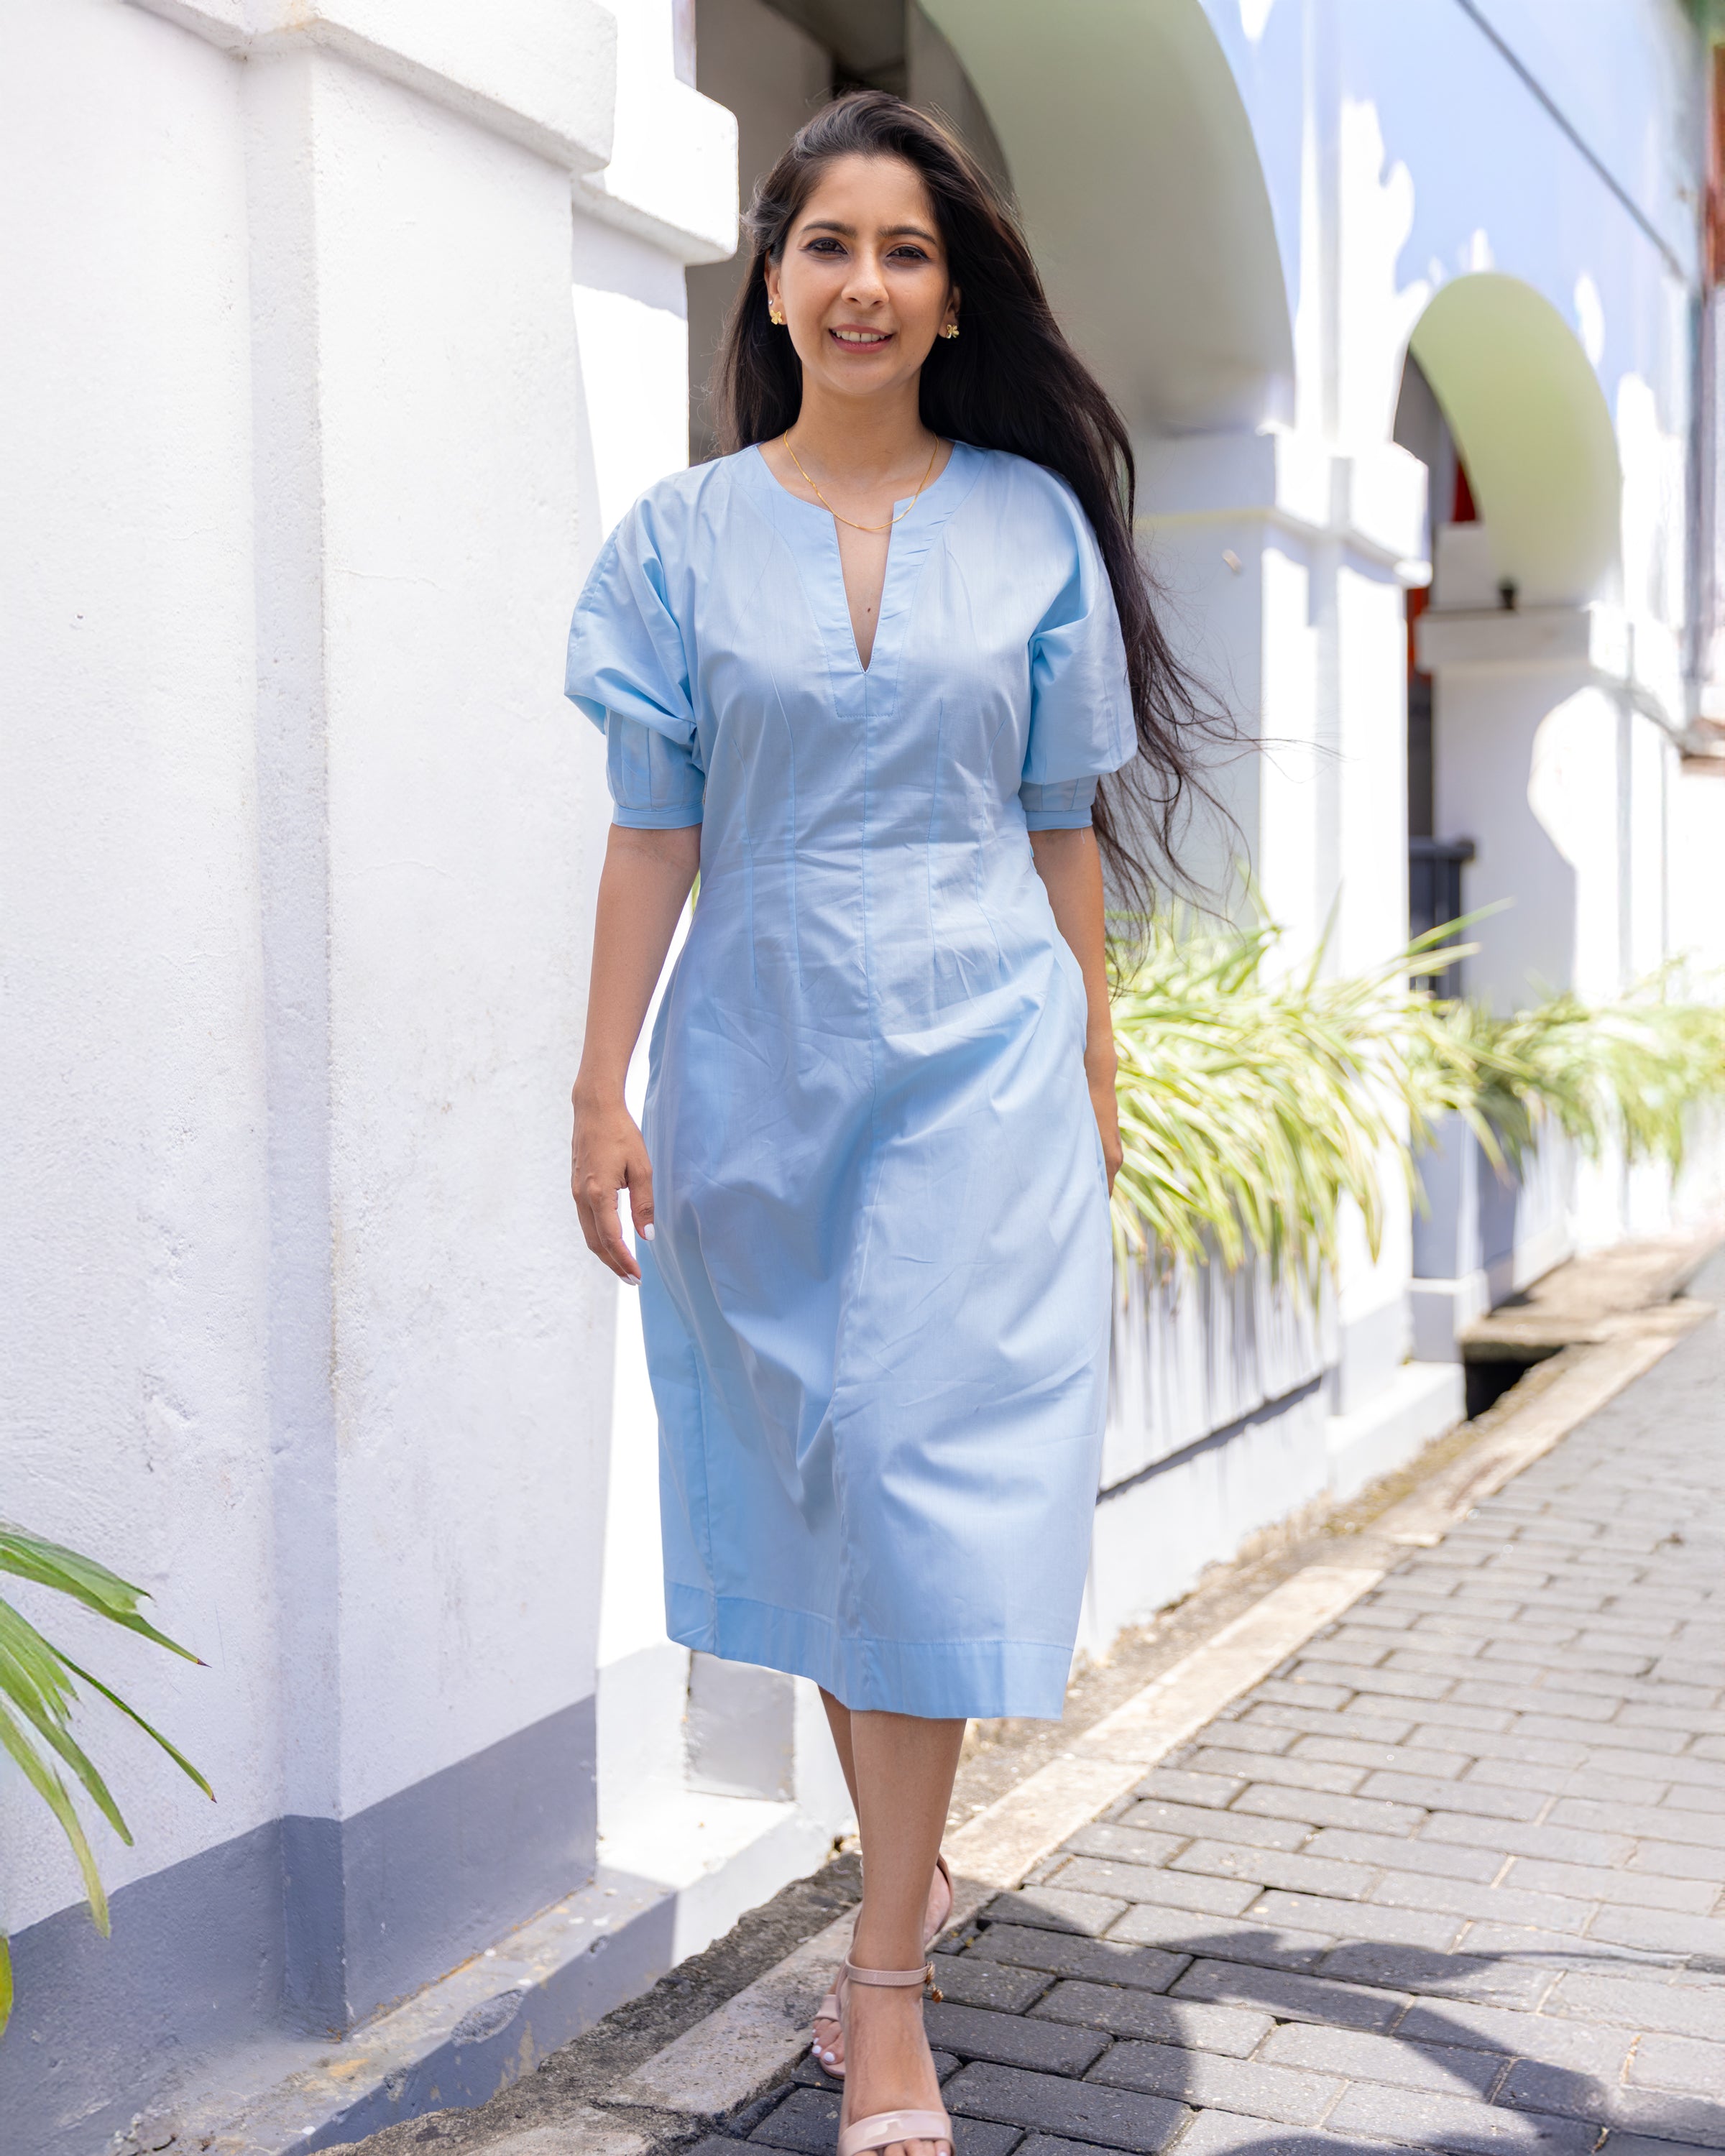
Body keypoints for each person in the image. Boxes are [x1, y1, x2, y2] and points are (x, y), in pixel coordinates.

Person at [566, 91, 1218, 2156]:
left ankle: (886, 1985)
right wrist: (598, 1082)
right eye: (829, 245)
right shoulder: (676, 539)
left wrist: (1098, 1071)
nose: (865, 283)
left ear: (954, 299)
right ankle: (904, 1875)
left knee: (927, 1481)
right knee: (831, 1483)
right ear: (772, 282)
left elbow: (1065, 839)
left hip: (982, 1060)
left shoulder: (1028, 530)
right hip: (750, 1055)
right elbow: (651, 837)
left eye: (907, 251)